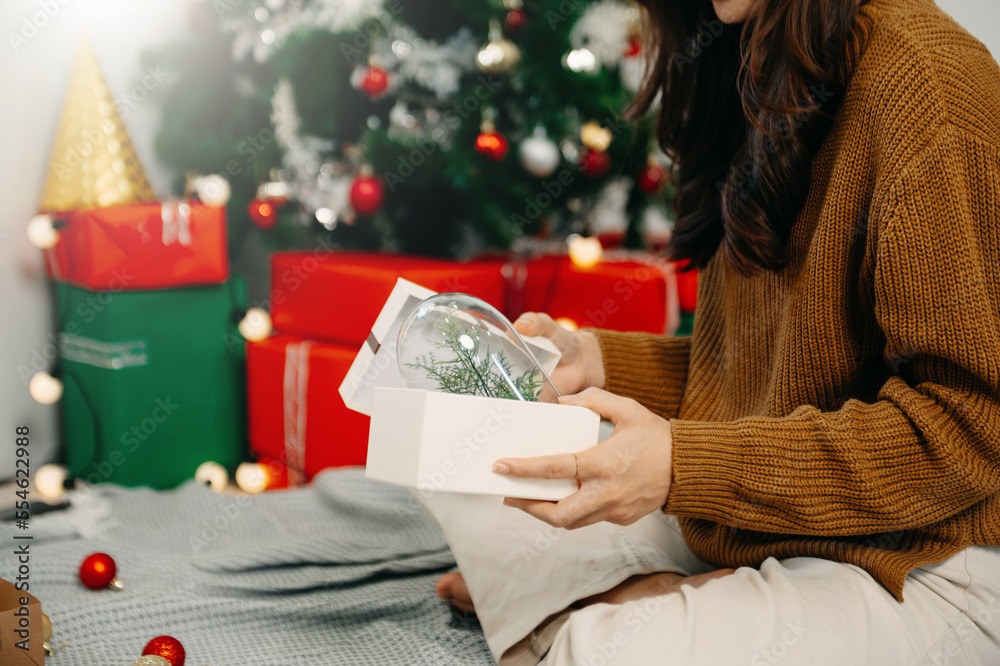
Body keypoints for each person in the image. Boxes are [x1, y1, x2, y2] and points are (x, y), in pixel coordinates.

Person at [428, 0, 1000, 663]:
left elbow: (972, 432)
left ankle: (589, 609)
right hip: (786, 526)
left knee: (608, 652)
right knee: (472, 473)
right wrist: (597, 359)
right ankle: (637, 598)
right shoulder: (753, 49)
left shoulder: (928, 81)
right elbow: (768, 376)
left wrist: (682, 467)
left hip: (930, 558)